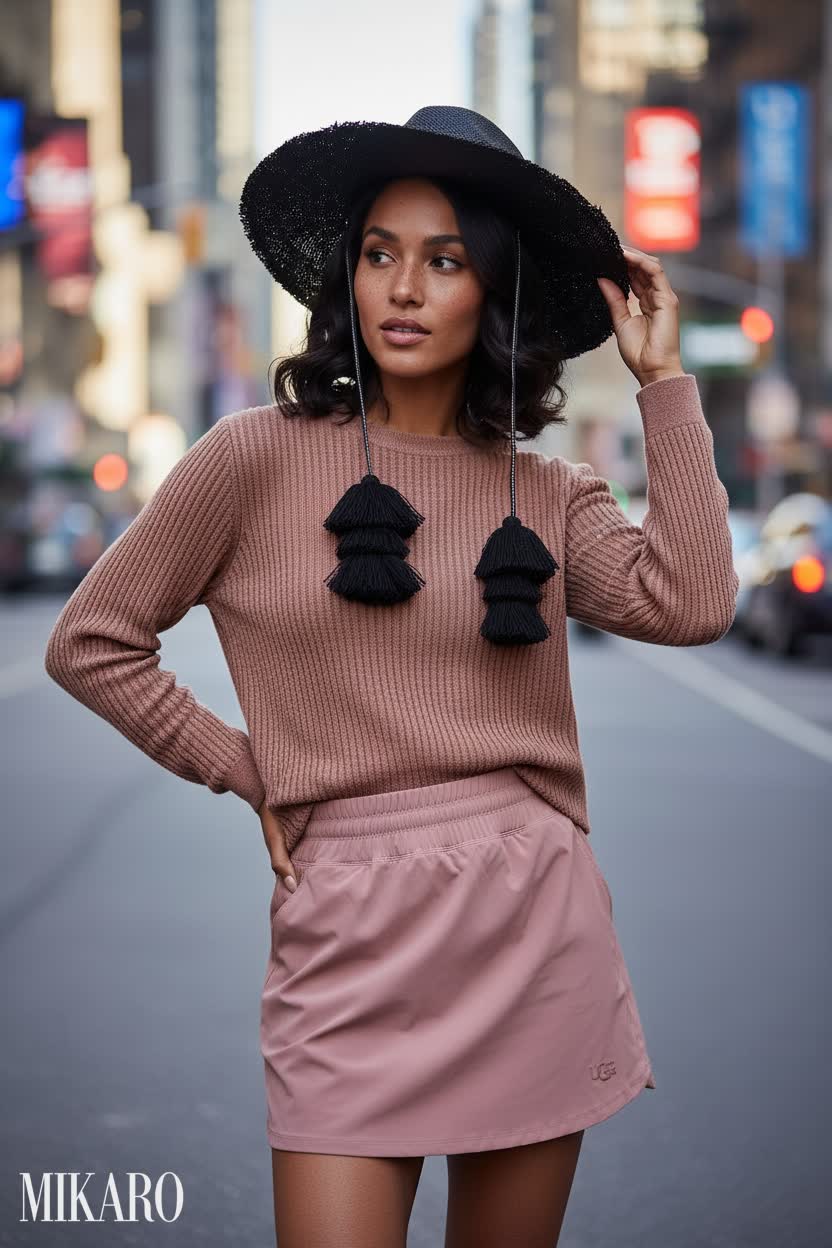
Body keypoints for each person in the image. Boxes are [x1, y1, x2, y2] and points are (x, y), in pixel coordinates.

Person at [44, 106, 738, 1247]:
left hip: (531, 924)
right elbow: (93, 639)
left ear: (493, 291)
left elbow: (695, 602)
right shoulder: (251, 458)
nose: (404, 289)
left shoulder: (551, 496)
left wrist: (663, 385)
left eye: (445, 260)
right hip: (346, 934)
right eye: (379, 255)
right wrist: (244, 768)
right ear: (346, 280)